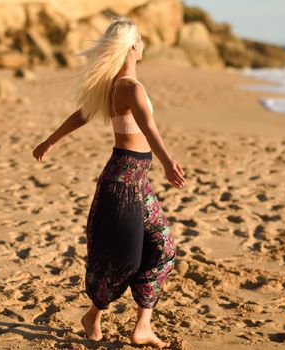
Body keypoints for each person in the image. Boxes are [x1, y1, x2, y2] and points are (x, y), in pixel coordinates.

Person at [32, 16, 186, 349]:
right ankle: (93, 315)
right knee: (126, 260)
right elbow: (147, 126)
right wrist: (166, 159)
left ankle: (142, 327)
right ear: (132, 45)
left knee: (164, 247)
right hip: (122, 180)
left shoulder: (117, 84)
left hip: (136, 181)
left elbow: (82, 114)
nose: (144, 44)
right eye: (141, 39)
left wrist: (50, 141)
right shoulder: (129, 86)